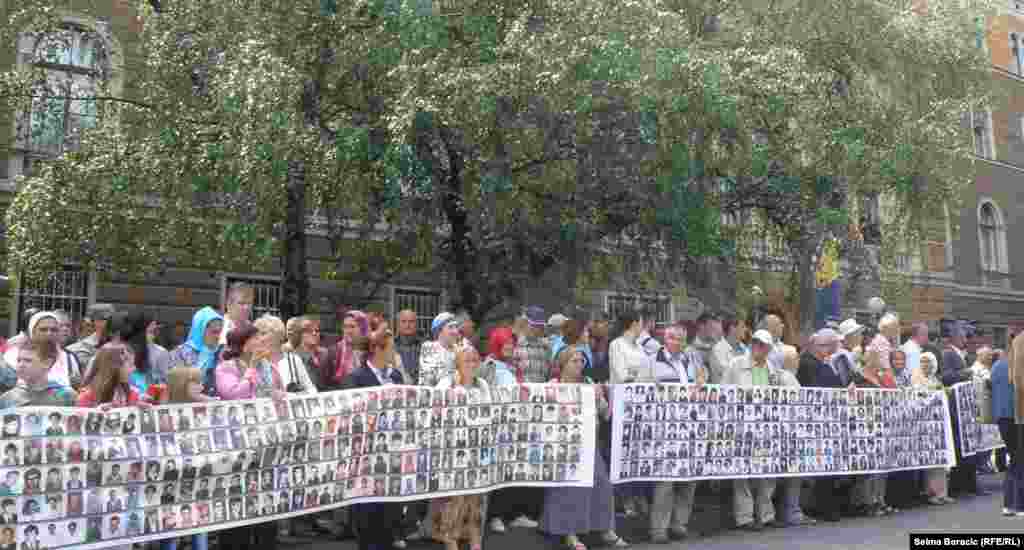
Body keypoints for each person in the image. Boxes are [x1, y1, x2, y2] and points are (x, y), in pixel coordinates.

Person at [542, 349, 628, 550]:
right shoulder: (553, 386)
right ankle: (569, 534)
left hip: (590, 444)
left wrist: (599, 398)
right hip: (564, 446)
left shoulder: (589, 384)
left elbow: (606, 414)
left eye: (581, 360)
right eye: (574, 360)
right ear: (562, 364)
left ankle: (605, 529)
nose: (579, 364)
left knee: (602, 484)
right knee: (569, 488)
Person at [214, 325, 283, 550]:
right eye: (256, 338)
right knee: (238, 503)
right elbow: (234, 395)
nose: (262, 342)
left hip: (264, 443)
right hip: (237, 444)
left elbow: (275, 393)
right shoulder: (226, 368)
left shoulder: (269, 367)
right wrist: (251, 368)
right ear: (242, 344)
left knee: (265, 504)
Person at [76, 346, 150, 550]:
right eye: (129, 364)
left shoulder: (131, 394)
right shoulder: (87, 396)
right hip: (96, 477)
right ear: (114, 366)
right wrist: (92, 416)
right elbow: (76, 437)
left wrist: (142, 411)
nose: (133, 369)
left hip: (124, 477)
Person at [349, 327, 404, 550]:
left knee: (389, 509)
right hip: (366, 456)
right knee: (368, 512)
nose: (394, 352)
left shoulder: (396, 376)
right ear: (377, 349)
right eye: (391, 347)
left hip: (391, 451)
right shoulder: (357, 377)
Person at [481, 327, 541, 533]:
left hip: (516, 425)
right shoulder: (490, 365)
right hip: (498, 426)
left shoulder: (512, 367)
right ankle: (495, 516)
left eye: (511, 344)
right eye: (505, 343)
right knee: (498, 471)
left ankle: (516, 514)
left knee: (516, 470)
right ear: (496, 343)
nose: (509, 347)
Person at [430, 348, 490, 550]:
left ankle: (474, 536)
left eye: (475, 359)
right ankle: (450, 537)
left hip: (478, 447)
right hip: (454, 448)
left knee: (476, 497)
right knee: (455, 496)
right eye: (467, 360)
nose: (472, 364)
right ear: (457, 364)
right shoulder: (447, 383)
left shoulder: (482, 384)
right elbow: (435, 406)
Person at [723, 330, 783, 529]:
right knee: (743, 472)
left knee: (767, 470)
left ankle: (766, 514)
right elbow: (724, 391)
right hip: (742, 424)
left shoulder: (772, 367)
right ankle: (745, 517)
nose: (760, 348)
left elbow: (778, 394)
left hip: (766, 424)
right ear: (752, 344)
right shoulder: (736, 364)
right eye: (757, 344)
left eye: (764, 345)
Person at [649, 326, 704, 543]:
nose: (677, 342)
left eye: (681, 339)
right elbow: (642, 389)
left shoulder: (690, 359)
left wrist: (702, 378)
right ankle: (659, 529)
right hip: (665, 427)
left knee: (689, 478)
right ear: (665, 338)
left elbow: (701, 377)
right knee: (666, 480)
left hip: (689, 424)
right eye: (672, 338)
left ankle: (679, 524)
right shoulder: (652, 360)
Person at [158, 367, 212, 550]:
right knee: (171, 528)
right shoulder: (163, 412)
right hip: (171, 480)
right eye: (196, 382)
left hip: (196, 478)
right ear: (182, 385)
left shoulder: (206, 405)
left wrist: (209, 403)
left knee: (200, 526)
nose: (202, 386)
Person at [912, 352, 956, 506]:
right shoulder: (917, 379)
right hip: (926, 425)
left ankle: (943, 493)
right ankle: (932, 493)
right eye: (922, 361)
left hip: (939, 424)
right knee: (931, 460)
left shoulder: (936, 379)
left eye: (928, 361)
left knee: (942, 460)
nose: (925, 364)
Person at [3, 312, 80, 389]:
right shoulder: (13, 355)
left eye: (54, 330)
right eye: (43, 329)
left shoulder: (69, 357)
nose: (49, 333)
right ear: (32, 332)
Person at [253, 315, 317, 394]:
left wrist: (303, 394)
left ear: (278, 335)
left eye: (263, 333)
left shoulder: (293, 360)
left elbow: (312, 389)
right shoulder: (255, 361)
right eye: (257, 335)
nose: (259, 338)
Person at [0, 344, 78, 409]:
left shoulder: (67, 395)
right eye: (19, 360)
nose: (21, 365)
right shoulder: (8, 398)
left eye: (28, 360)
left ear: (47, 363)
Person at [170, 307, 224, 397]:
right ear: (200, 330)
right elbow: (177, 387)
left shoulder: (221, 353)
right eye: (214, 332)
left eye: (220, 332)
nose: (218, 337)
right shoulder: (179, 353)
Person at [324, 310, 369, 390]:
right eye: (345, 327)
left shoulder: (371, 350)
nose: (348, 331)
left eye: (352, 327)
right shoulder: (334, 351)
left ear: (363, 329)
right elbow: (325, 383)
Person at [68, 304, 115, 374]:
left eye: (111, 320)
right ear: (95, 322)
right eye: (104, 319)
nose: (110, 324)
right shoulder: (79, 349)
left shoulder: (120, 344)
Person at [419, 312, 461, 387]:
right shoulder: (429, 347)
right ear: (439, 331)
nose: (456, 331)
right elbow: (429, 379)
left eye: (456, 327)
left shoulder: (460, 349)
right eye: (450, 327)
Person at [515, 307, 553, 383]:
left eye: (538, 326)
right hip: (521, 391)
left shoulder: (546, 347)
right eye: (533, 325)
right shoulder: (516, 345)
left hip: (541, 392)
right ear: (525, 323)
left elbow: (549, 374)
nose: (536, 329)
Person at [687, 312, 725, 383]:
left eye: (714, 327)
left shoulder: (717, 350)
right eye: (711, 327)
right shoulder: (689, 352)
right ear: (701, 326)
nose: (714, 331)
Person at [395, 309, 423, 384]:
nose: (407, 325)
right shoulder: (390, 346)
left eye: (411, 321)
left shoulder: (425, 346)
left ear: (416, 324)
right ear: (398, 324)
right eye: (403, 321)